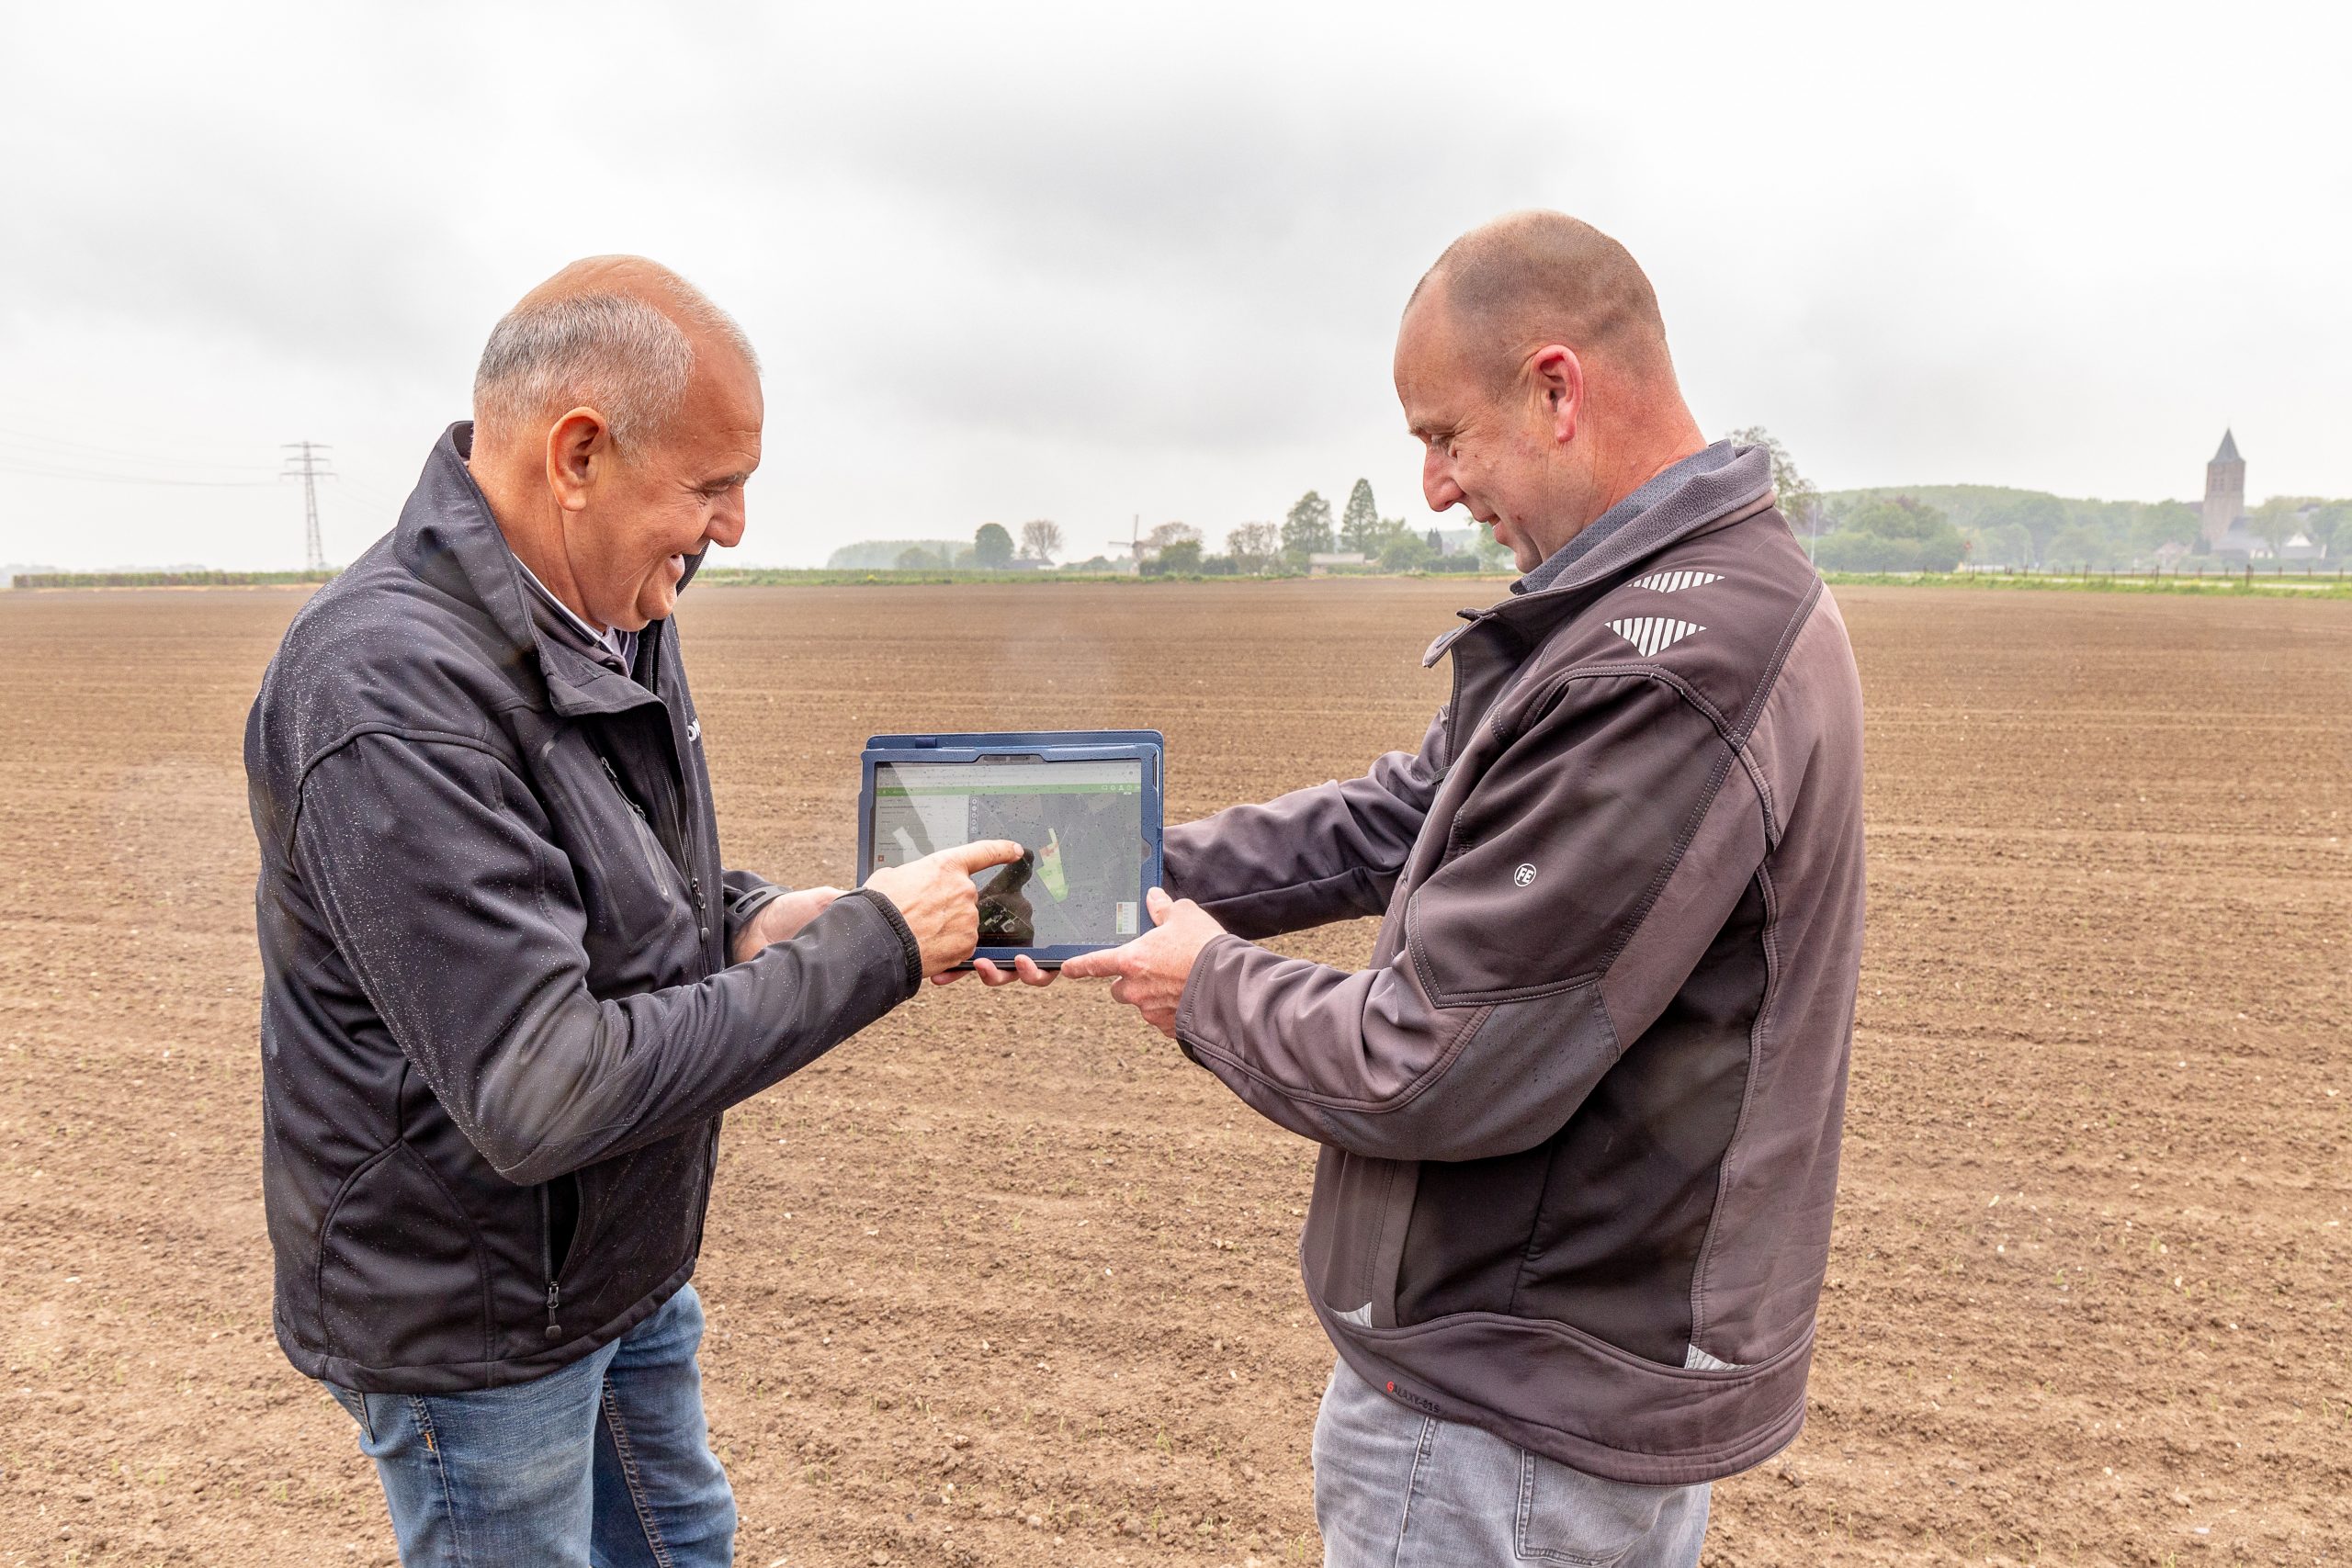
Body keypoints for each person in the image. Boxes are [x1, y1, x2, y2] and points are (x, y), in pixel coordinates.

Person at [1050, 212, 1868, 1567]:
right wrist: (1112, 873)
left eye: (1445, 436)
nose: (1434, 488)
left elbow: (1436, 1059)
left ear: (1556, 390)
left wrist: (1204, 985)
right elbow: (1403, 813)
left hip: (1512, 1415)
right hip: (1560, 1374)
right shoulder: (1651, 606)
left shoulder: (1663, 665)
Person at [244, 256, 1020, 1567]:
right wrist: (874, 945)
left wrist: (749, 921)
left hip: (612, 1263)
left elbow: (596, 875)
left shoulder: (607, 604)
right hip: (478, 1316)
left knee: (681, 1542)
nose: (732, 529)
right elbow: (542, 1087)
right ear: (580, 455)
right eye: (712, 487)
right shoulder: (387, 693)